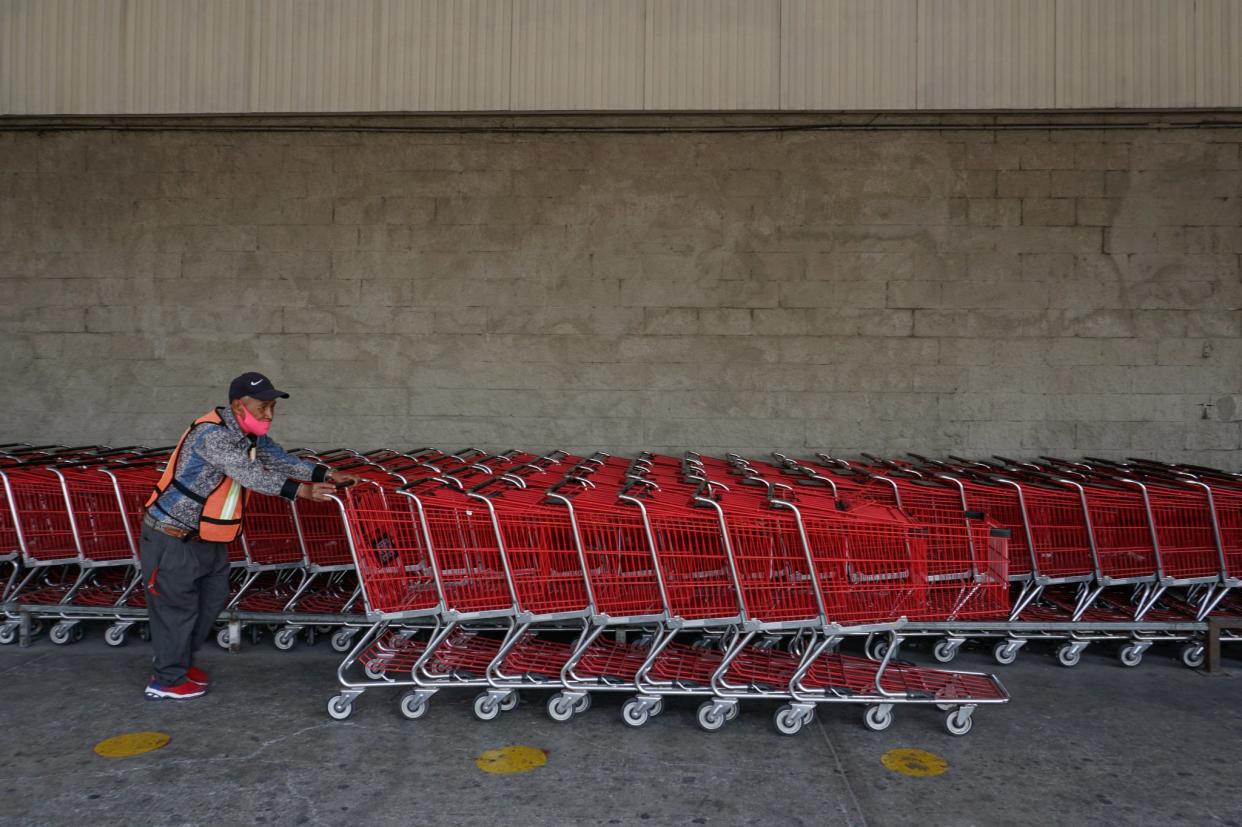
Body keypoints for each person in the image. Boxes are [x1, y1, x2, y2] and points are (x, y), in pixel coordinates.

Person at [140, 371, 359, 700]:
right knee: (177, 609)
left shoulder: (249, 436)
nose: (268, 415)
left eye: (272, 407)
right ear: (238, 406)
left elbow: (279, 460)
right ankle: (166, 679)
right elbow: (249, 473)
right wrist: (301, 493)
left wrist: (327, 473)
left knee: (210, 603)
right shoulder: (211, 435)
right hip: (172, 536)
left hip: (209, 538)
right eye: (262, 407)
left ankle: (178, 663)